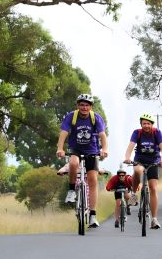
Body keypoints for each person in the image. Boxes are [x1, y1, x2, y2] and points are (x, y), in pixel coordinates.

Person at [56, 94, 108, 228]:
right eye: (81, 105)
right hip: (76, 148)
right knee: (73, 163)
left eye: (87, 105)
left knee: (93, 181)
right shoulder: (71, 116)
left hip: (92, 150)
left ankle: (92, 215)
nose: (84, 107)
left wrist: (105, 149)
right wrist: (60, 149)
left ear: (91, 107)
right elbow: (63, 133)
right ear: (77, 106)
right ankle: (72, 190)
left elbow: (102, 135)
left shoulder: (96, 118)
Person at [123, 113, 162, 229]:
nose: (146, 125)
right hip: (140, 160)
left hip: (154, 161)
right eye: (144, 123)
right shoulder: (137, 132)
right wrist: (127, 158)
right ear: (141, 124)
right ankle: (133, 195)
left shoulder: (157, 132)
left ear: (152, 124)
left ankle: (154, 219)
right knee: (138, 170)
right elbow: (130, 146)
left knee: (153, 188)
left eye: (148, 123)